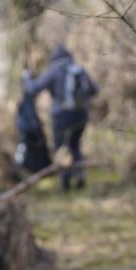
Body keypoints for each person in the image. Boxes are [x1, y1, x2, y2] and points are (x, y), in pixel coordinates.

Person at [22, 45, 99, 190]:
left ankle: (65, 182)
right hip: (81, 115)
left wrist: (26, 78)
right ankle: (80, 174)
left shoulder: (54, 70)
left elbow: (33, 89)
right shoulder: (79, 69)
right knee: (75, 145)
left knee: (61, 148)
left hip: (61, 116)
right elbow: (95, 90)